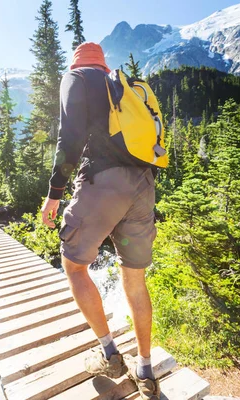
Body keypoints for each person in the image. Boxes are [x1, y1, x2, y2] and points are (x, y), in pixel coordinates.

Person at [41, 42, 160, 400]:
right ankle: (145, 370)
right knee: (135, 280)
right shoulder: (120, 87)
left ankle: (110, 355)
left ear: (77, 62)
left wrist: (55, 192)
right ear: (104, 63)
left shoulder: (76, 78)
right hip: (144, 186)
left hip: (103, 184)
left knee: (75, 266)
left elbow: (70, 137)